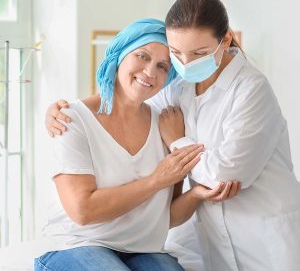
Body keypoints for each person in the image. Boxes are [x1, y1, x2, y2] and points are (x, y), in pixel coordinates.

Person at [47, 0, 300, 271]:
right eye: (177, 54)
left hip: (263, 232)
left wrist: (177, 142)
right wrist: (60, 110)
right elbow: (126, 100)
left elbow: (225, 175)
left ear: (225, 40)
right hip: (195, 235)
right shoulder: (177, 89)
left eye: (199, 53)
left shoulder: (251, 88)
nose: (187, 63)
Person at [37, 18, 239, 271]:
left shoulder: (166, 125)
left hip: (140, 249)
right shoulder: (72, 119)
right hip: (74, 245)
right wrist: (156, 179)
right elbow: (82, 211)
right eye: (142, 56)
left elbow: (167, 217)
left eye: (163, 66)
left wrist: (197, 193)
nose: (150, 72)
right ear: (120, 54)